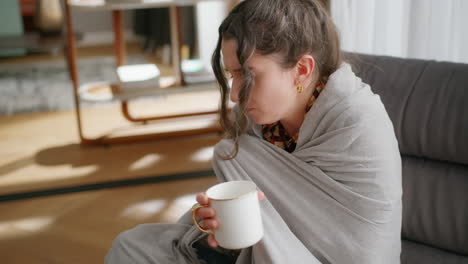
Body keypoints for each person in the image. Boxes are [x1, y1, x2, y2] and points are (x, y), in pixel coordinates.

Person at [105, 0, 402, 263]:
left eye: (248, 75)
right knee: (131, 247)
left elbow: (362, 250)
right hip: (265, 251)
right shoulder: (257, 121)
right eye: (232, 75)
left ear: (302, 69)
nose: (235, 94)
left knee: (230, 154)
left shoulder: (356, 121)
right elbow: (266, 219)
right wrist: (219, 226)